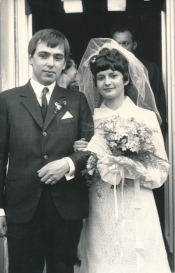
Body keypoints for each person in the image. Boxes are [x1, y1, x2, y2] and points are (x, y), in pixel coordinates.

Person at [0, 29, 93, 273]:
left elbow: (91, 148)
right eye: (44, 55)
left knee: (62, 269)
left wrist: (68, 164)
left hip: (65, 207)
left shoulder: (77, 100)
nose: (51, 63)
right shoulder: (7, 101)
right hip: (21, 207)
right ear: (30, 58)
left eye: (58, 57)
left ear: (64, 62)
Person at [73, 38, 171, 273]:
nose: (107, 82)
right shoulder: (88, 120)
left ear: (126, 79)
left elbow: (161, 171)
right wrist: (80, 154)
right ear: (95, 82)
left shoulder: (145, 118)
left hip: (138, 205)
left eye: (113, 75)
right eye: (101, 77)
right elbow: (82, 172)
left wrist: (133, 168)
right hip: (101, 207)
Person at [111, 24, 167, 138]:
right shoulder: (106, 70)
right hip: (113, 128)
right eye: (117, 44)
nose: (120, 48)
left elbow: (158, 104)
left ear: (134, 45)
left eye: (125, 43)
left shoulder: (150, 68)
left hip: (144, 130)